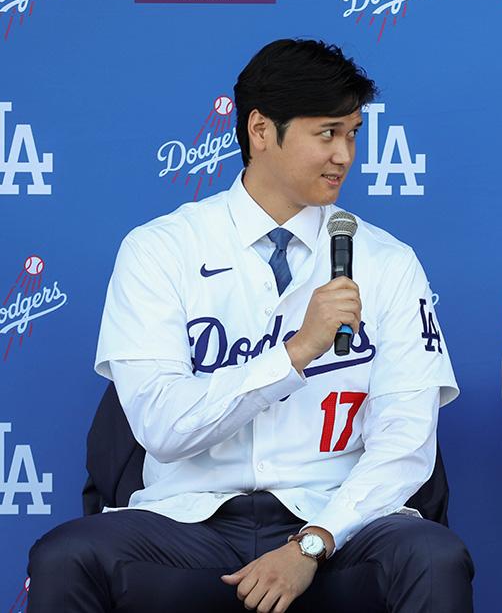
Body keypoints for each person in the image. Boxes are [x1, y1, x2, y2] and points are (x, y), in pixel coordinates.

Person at [27, 39, 473, 612]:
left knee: (432, 557)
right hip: (189, 520)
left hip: (338, 518)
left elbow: (406, 444)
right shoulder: (160, 249)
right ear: (261, 130)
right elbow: (161, 427)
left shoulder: (387, 260)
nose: (344, 154)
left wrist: (312, 543)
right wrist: (295, 354)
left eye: (353, 133)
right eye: (327, 133)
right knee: (66, 557)